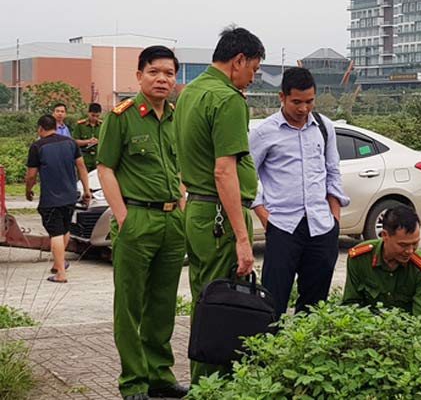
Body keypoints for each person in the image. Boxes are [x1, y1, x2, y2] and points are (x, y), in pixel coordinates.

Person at [174, 27, 265, 384]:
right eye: (254, 69)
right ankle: (216, 388)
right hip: (221, 214)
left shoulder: (190, 92)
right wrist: (243, 239)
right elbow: (224, 171)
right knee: (226, 305)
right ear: (238, 60)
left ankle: (202, 383)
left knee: (206, 299)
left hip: (198, 211)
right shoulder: (227, 99)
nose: (253, 78)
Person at [97, 46, 188, 400]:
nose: (162, 78)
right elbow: (106, 167)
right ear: (139, 76)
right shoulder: (122, 117)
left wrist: (180, 201)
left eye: (169, 73)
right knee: (130, 305)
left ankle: (160, 375)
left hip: (171, 222)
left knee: (163, 303)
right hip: (137, 220)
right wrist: (123, 216)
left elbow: (178, 166)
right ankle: (134, 382)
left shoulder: (176, 117)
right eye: (154, 72)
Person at [249, 67, 349, 318]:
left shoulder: (324, 127)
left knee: (315, 304)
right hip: (282, 226)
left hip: (321, 227)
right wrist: (264, 216)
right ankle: (269, 354)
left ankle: (306, 355)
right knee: (273, 301)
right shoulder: (264, 132)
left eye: (309, 101)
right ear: (282, 97)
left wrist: (334, 219)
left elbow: (332, 172)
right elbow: (248, 176)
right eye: (297, 102)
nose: (303, 109)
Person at [25, 115, 91, 283]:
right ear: (56, 126)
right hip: (70, 195)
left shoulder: (37, 146)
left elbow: (31, 175)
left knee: (55, 233)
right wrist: (86, 190)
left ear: (40, 129)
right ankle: (58, 263)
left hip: (51, 198)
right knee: (64, 229)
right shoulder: (70, 143)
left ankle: (61, 273)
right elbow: (82, 167)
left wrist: (29, 190)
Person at [342, 205, 421, 323]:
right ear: (385, 236)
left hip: (407, 329)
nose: (410, 251)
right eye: (403, 245)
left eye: (415, 243)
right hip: (368, 327)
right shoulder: (360, 258)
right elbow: (351, 304)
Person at [72, 102, 103, 171]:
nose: (95, 118)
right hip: (84, 158)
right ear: (88, 113)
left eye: (97, 116)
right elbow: (74, 141)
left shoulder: (102, 126)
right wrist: (88, 141)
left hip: (97, 159)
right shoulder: (80, 125)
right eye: (93, 115)